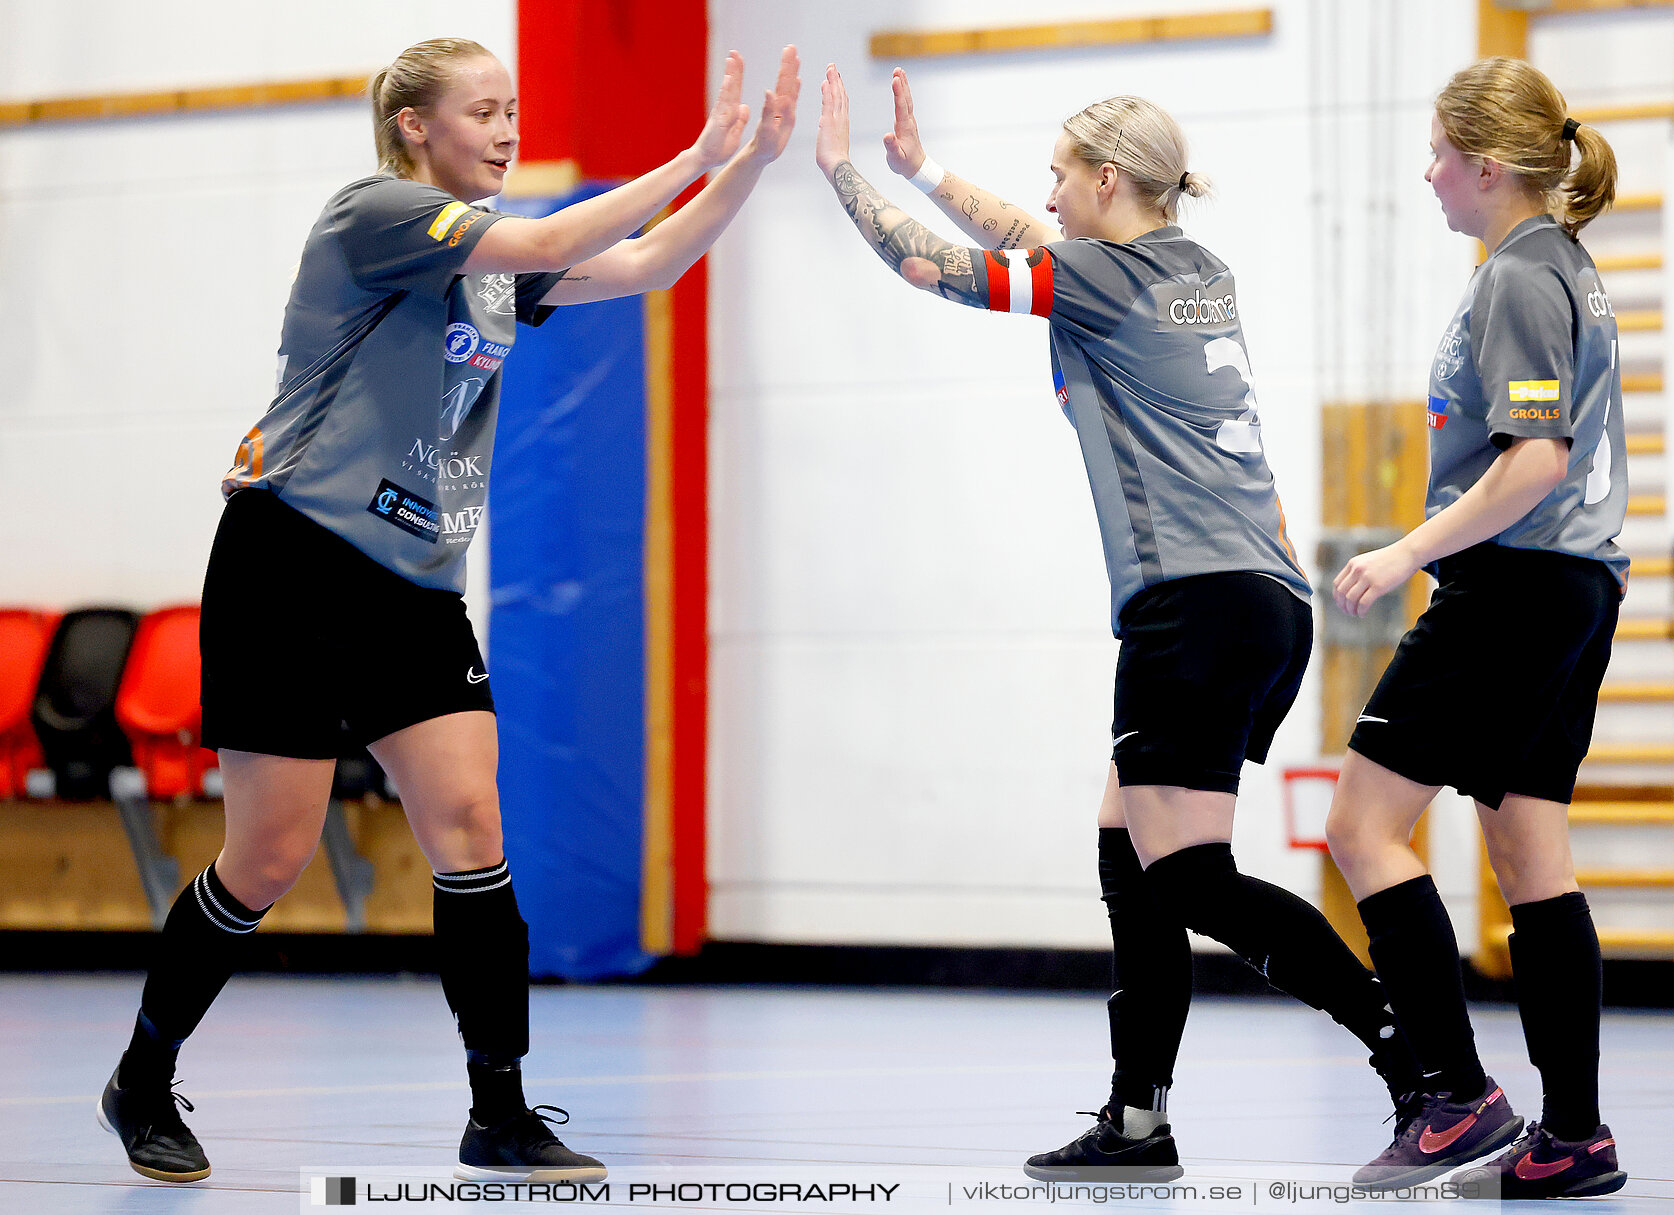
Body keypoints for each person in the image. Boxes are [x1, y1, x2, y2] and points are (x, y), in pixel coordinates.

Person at [97, 37, 801, 1185]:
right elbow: (549, 236)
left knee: (472, 829)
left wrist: (752, 164)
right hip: (295, 561)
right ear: (417, 126)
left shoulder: (489, 262)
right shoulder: (373, 214)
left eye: (515, 108)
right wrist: (692, 149)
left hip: (417, 584)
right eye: (485, 111)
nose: (509, 129)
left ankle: (500, 1113)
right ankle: (142, 1074)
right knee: (267, 859)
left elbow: (648, 265)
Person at [815, 65, 1425, 1180]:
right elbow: (1026, 234)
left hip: (1191, 603)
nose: (1044, 196)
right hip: (1261, 599)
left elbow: (931, 266)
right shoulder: (1195, 268)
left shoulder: (1096, 278)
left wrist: (847, 176)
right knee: (1128, 849)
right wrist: (929, 168)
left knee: (1190, 876)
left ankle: (1414, 1058)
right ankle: (1137, 1119)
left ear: (1106, 180)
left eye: (1059, 177)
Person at [1325, 57, 1628, 1199]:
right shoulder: (1568, 267)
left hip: (1515, 581)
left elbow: (1537, 460)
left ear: (1488, 168)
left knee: (1363, 824)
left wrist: (1409, 549)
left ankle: (1455, 1098)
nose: (1431, 174)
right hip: (1581, 584)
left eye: (1443, 156)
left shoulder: (1517, 275)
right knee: (1528, 842)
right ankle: (1577, 1136)